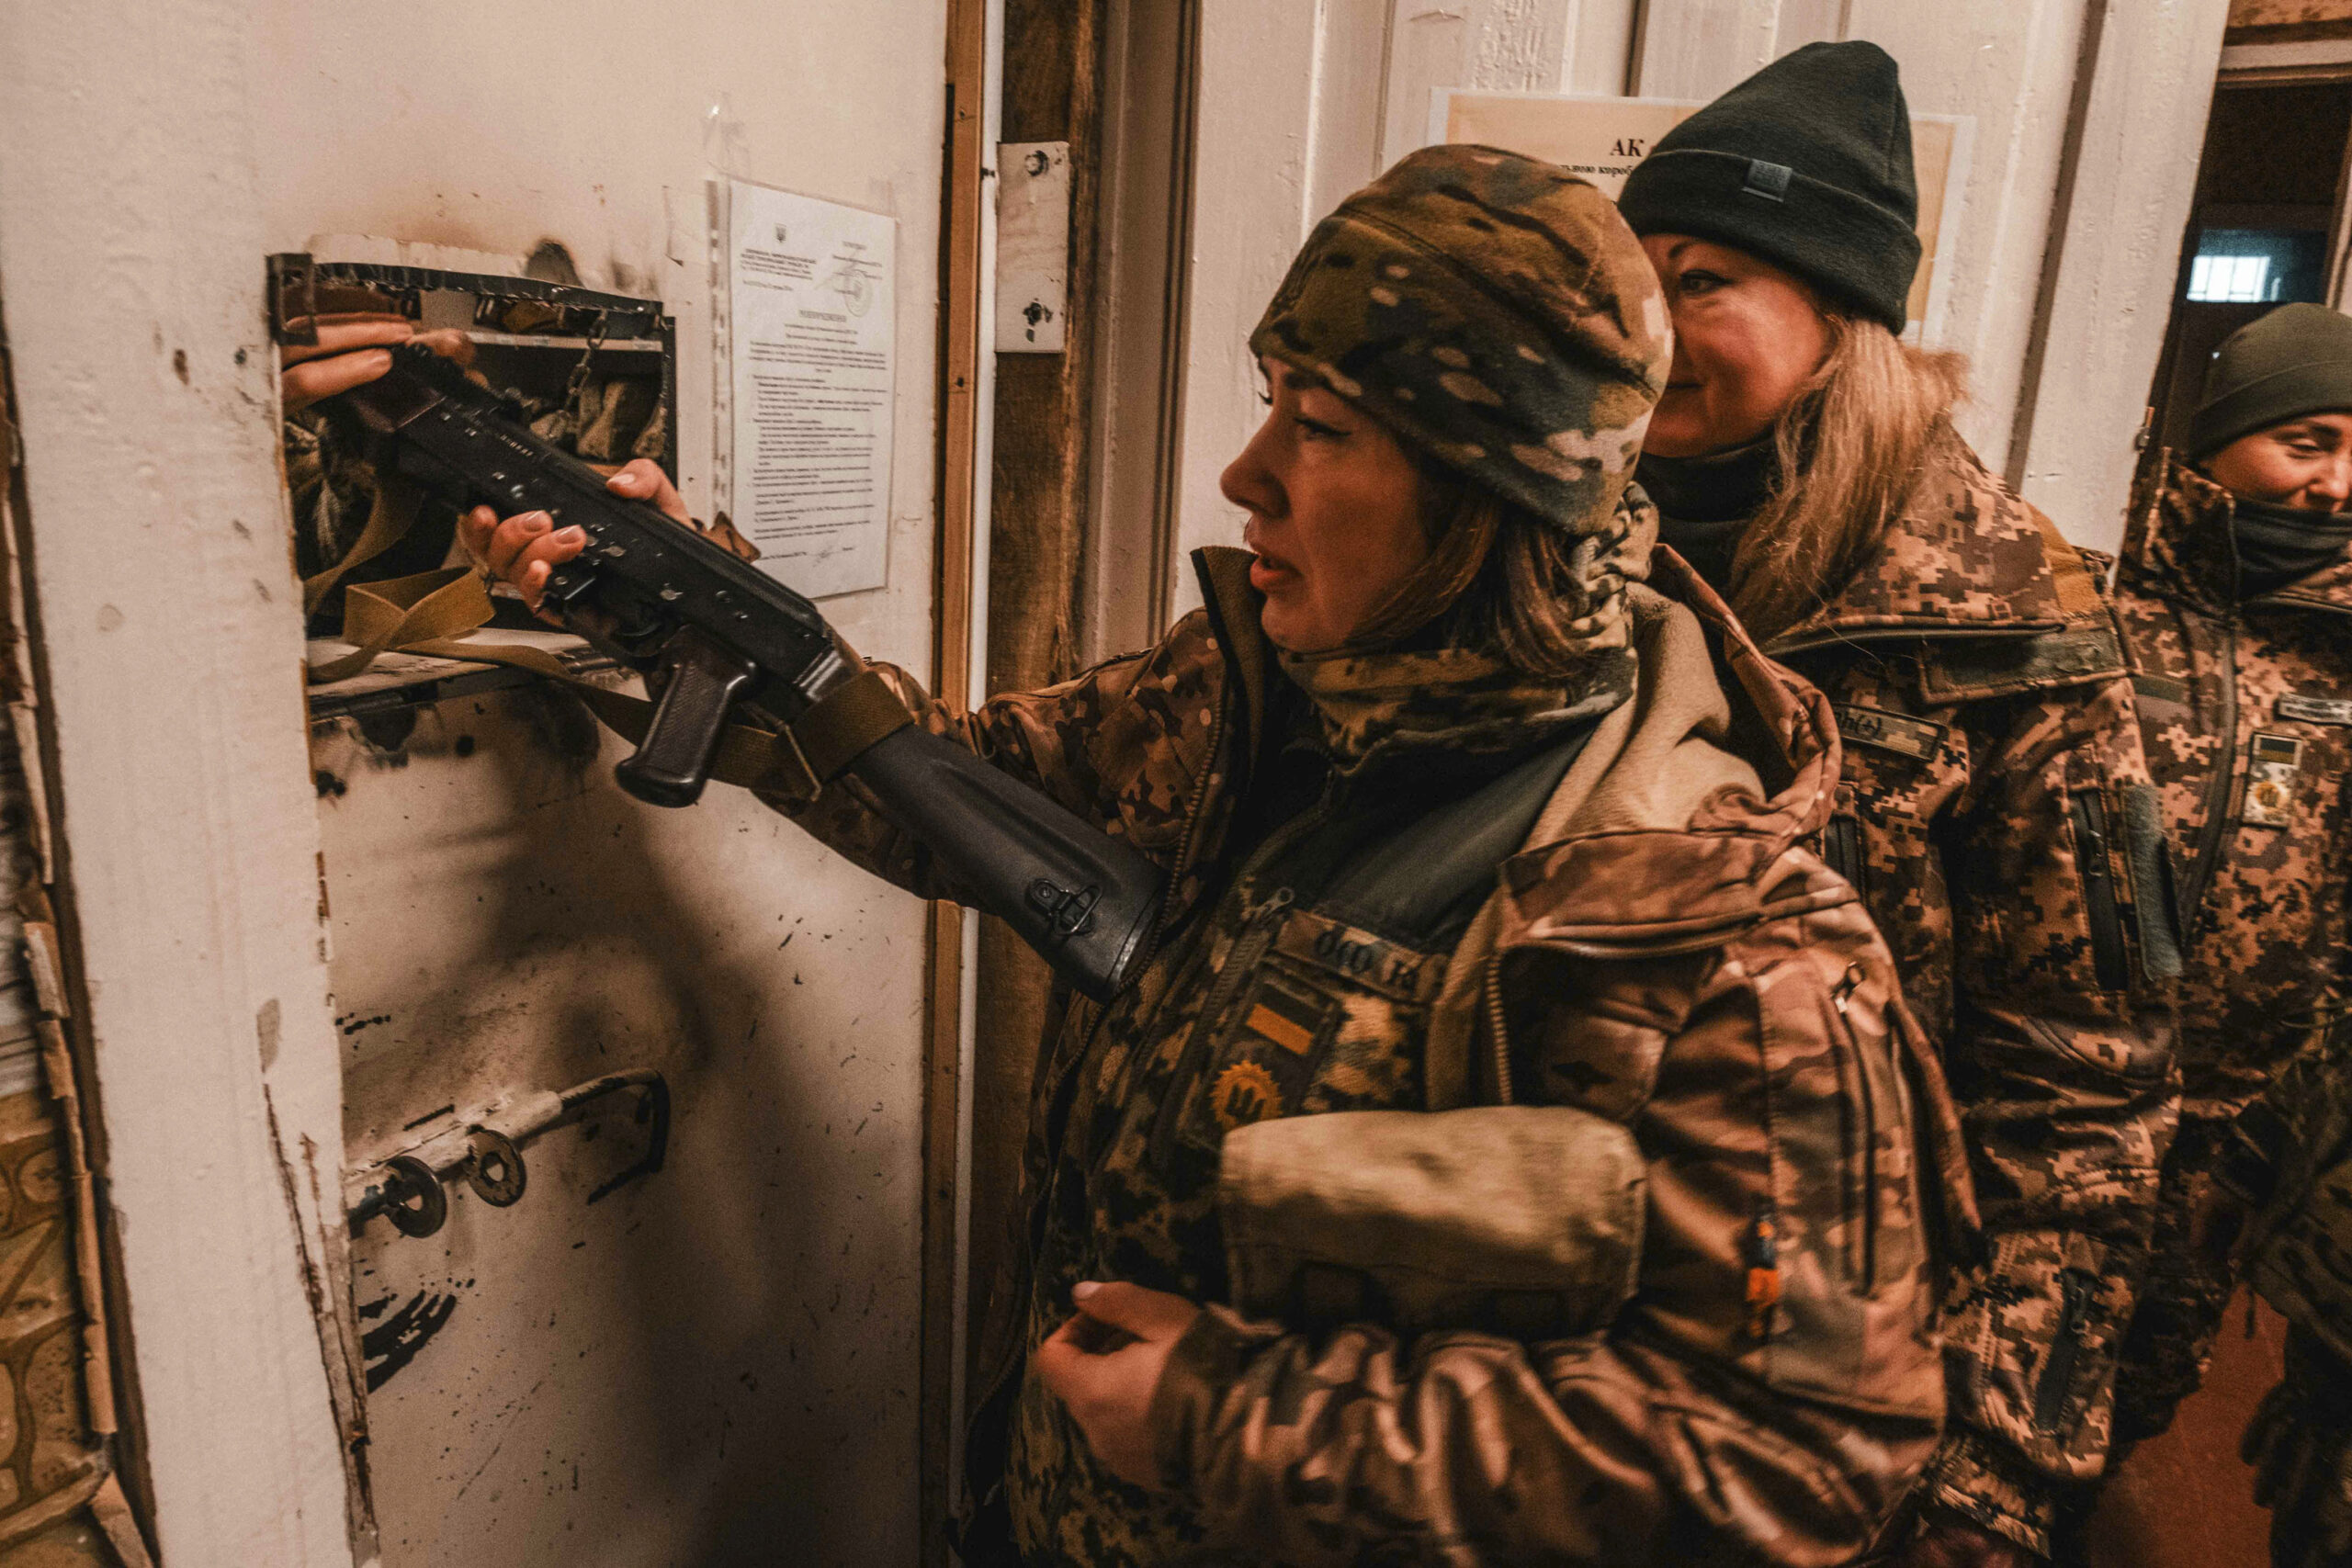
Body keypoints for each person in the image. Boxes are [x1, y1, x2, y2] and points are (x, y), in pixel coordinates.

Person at [445, 148, 1970, 1564]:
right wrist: (669, 598)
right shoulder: (1256, 695)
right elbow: (941, 790)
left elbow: (1802, 1449)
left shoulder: (1714, 924)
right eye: (1272, 406)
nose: (1247, 478)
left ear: (1484, 499)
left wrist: (1234, 1421)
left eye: (1322, 431)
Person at [1613, 41, 2179, 1568]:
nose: (1653, 323)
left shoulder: (2013, 635)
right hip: (1555, 1344)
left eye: (1708, 278)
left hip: (1833, 1391)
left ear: (1839, 316)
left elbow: (2083, 1106)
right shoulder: (1548, 536)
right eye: (1636, 274)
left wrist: (1987, 1490)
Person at [2087, 302, 2352, 1555]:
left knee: (2147, 1373)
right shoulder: (2089, 623)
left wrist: (2281, 1140)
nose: (2335, 483)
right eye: (2308, 440)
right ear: (2219, 445)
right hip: (2054, 1095)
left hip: (2231, 1131)